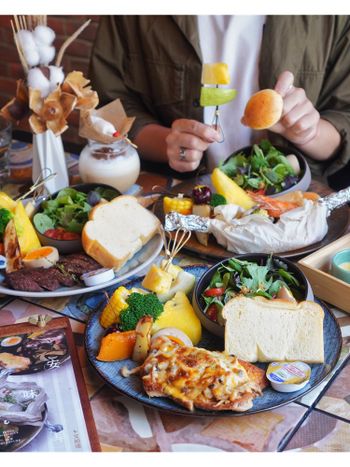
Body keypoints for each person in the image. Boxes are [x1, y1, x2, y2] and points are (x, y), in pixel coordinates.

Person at [89, 15, 350, 185]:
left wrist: (309, 133)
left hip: (295, 198)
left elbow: (345, 118)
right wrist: (167, 142)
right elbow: (106, 107)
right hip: (177, 192)